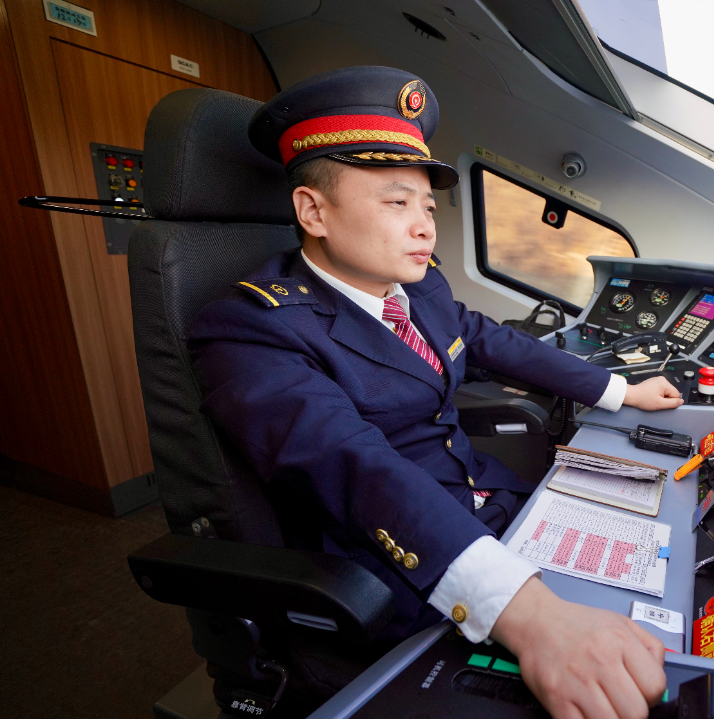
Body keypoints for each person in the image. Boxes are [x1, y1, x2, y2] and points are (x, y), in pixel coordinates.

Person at [188, 65, 684, 719]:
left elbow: (485, 339)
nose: (425, 226)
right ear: (313, 211)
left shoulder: (417, 287)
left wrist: (619, 390)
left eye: (427, 206)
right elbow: (356, 465)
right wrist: (533, 616)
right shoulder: (254, 329)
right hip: (395, 565)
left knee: (659, 566)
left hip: (485, 502)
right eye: (397, 204)